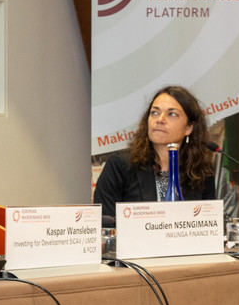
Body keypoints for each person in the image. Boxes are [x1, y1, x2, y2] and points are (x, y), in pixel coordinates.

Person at [93, 85, 217, 225]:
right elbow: (104, 223)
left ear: (189, 128)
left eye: (171, 114)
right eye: (155, 113)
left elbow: (209, 224)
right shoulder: (120, 166)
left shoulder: (201, 171)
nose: (160, 119)